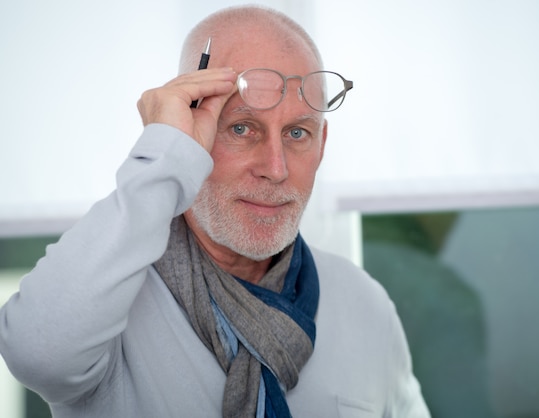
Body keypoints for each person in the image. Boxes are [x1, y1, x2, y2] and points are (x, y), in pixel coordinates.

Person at [0, 5, 430, 417]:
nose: (275, 169)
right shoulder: (110, 300)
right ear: (190, 134)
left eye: (298, 132)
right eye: (242, 128)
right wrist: (164, 155)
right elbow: (36, 352)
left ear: (321, 145)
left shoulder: (364, 303)